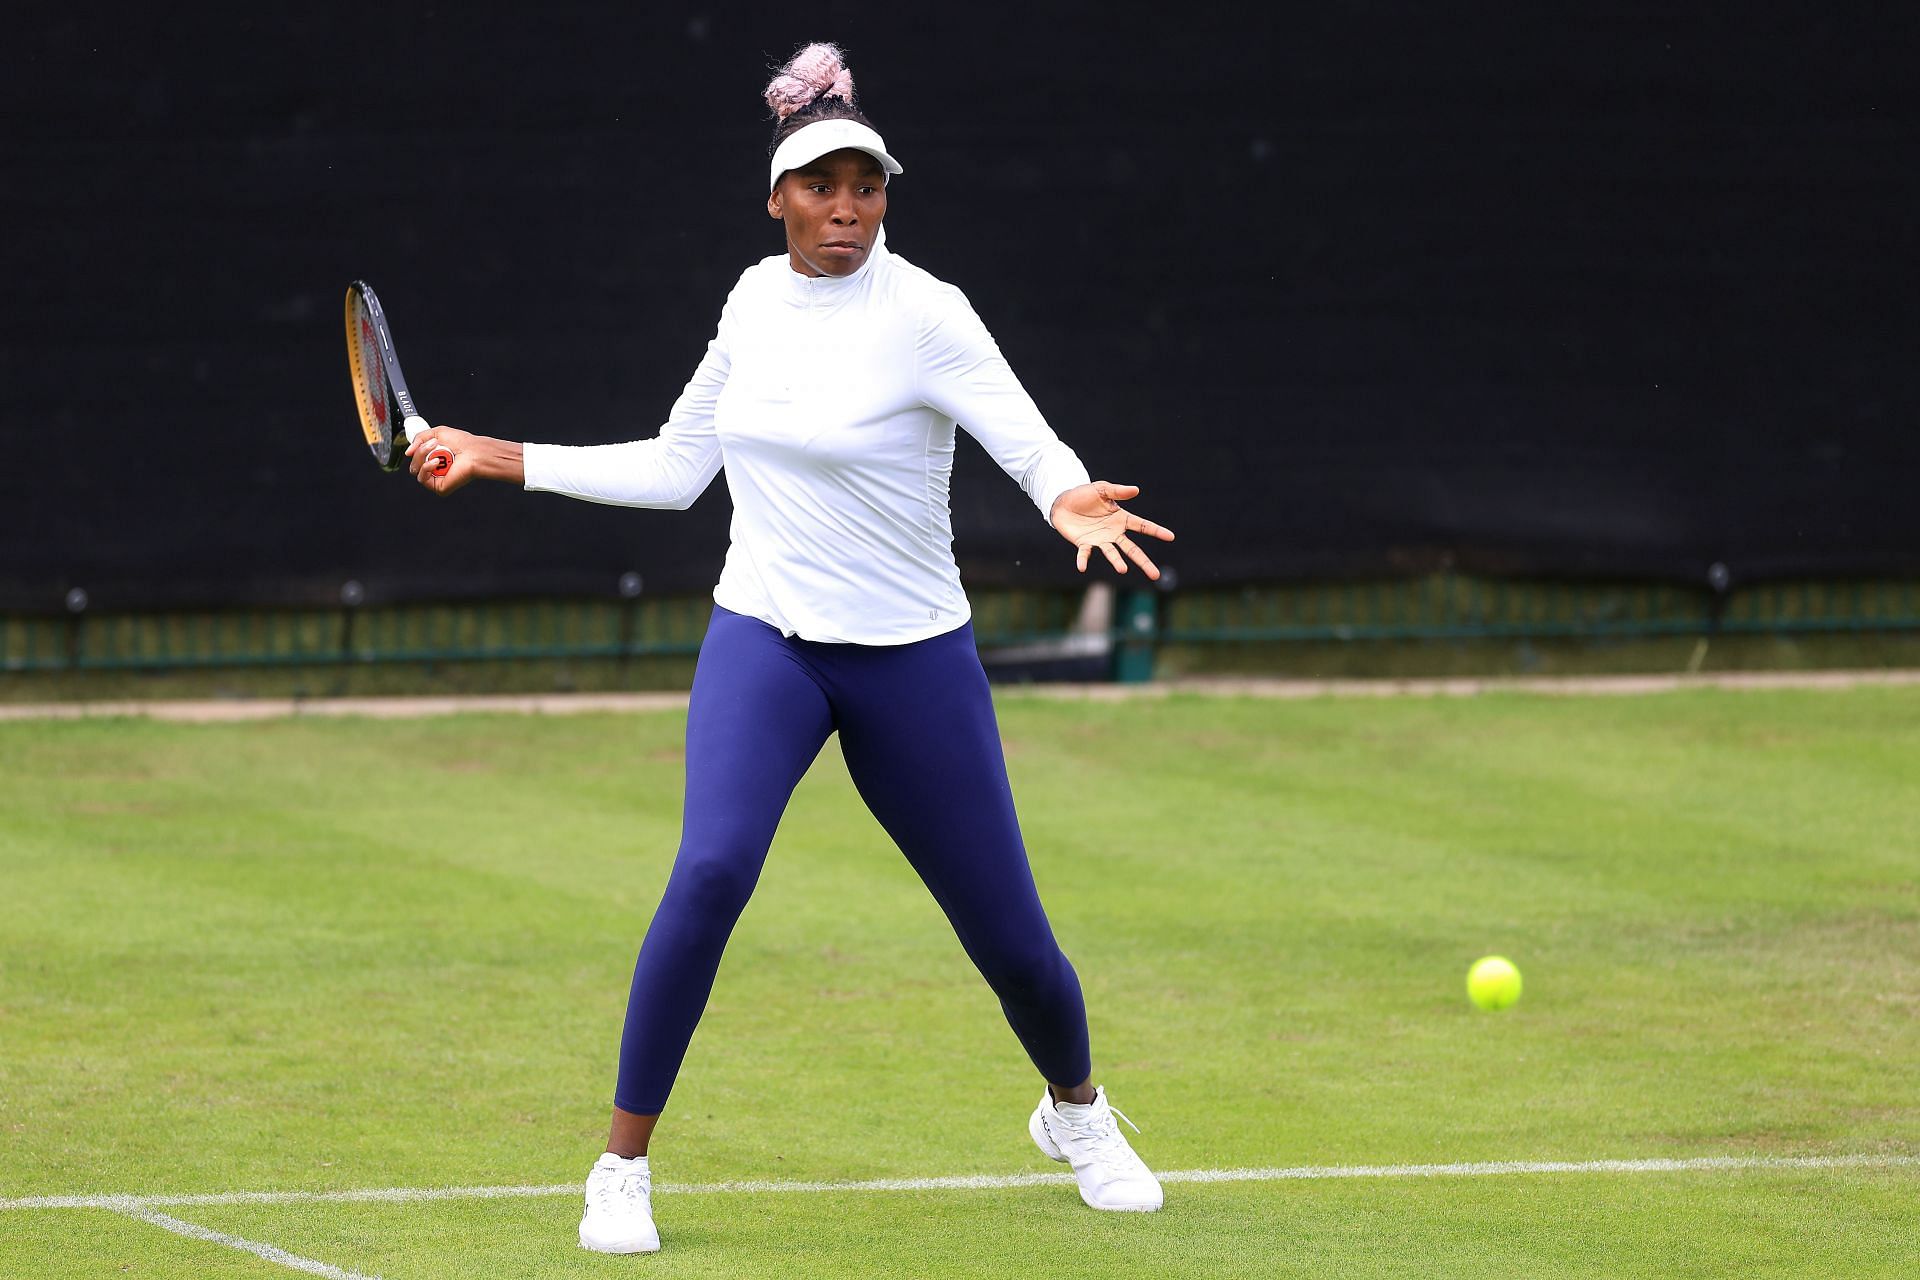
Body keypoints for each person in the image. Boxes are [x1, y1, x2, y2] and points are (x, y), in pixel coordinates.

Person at [405, 42, 1175, 1255]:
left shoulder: (929, 314)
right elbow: (675, 468)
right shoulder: (751, 303)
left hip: (911, 655)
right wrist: (497, 452)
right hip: (765, 637)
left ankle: (1076, 1110)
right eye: (822, 186)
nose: (847, 209)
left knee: (1009, 931)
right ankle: (620, 1168)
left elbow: (1032, 446)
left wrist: (1070, 495)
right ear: (778, 196)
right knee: (709, 871)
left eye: (866, 186)